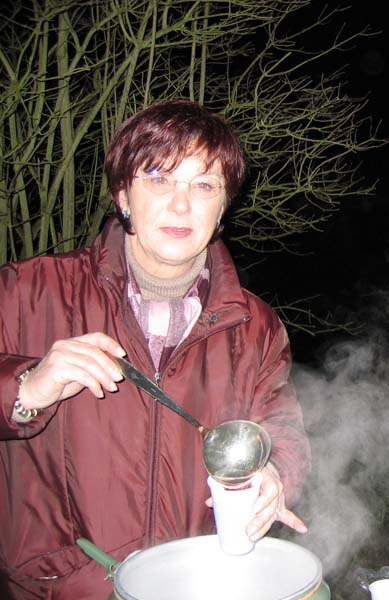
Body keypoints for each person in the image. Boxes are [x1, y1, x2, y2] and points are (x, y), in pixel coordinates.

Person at [0, 99, 311, 599]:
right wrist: (27, 387)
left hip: (196, 584)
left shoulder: (255, 326)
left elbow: (283, 431)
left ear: (222, 207)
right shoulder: (26, 293)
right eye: (159, 179)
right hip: (61, 590)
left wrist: (274, 473)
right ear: (123, 194)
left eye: (204, 185)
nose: (181, 205)